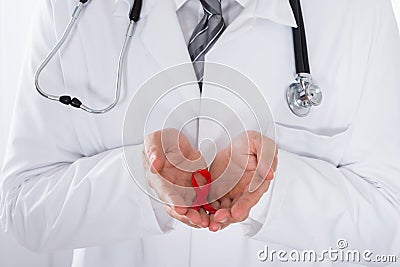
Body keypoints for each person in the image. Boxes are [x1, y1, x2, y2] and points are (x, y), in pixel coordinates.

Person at [1, 0, 400, 266]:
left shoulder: (358, 11)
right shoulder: (75, 8)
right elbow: (23, 206)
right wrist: (142, 179)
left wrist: (270, 189)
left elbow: (389, 222)